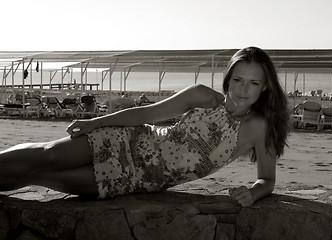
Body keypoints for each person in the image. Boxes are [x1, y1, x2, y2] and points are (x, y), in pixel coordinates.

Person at [0, 47, 289, 206]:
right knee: (47, 154)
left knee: (39, 176)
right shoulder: (202, 96)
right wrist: (96, 122)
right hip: (128, 140)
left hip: (136, 180)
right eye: (238, 80)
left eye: (253, 83)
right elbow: (148, 114)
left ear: (265, 88)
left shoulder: (259, 128)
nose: (243, 90)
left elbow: (268, 179)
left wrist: (253, 192)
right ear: (228, 78)